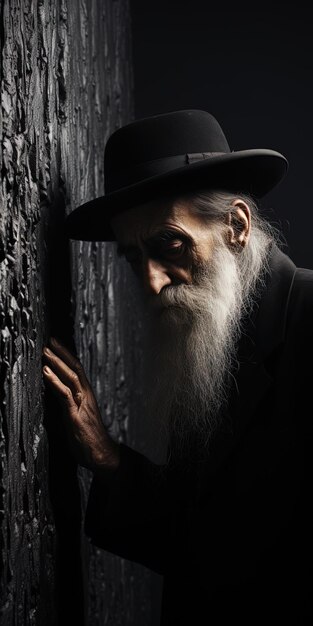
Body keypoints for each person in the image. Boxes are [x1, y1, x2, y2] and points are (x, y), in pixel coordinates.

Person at [42, 110, 312, 624]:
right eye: (133, 257)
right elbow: (205, 541)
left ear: (236, 226)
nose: (151, 282)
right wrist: (109, 460)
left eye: (170, 243)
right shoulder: (209, 345)